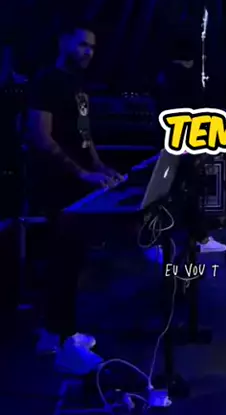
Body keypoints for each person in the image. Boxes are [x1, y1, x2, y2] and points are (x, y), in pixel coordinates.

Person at [27, 26, 123, 374]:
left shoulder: (77, 86)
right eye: (82, 44)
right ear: (63, 42)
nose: (88, 52)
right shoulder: (46, 81)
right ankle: (65, 345)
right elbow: (39, 136)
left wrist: (100, 167)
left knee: (70, 262)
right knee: (63, 263)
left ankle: (53, 334)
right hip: (56, 186)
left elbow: (84, 136)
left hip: (77, 187)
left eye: (92, 47)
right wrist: (80, 173)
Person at [155, 36, 226, 254]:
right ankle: (194, 239)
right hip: (180, 142)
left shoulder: (166, 75)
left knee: (181, 192)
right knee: (183, 192)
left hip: (175, 141)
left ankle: (192, 238)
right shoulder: (183, 77)